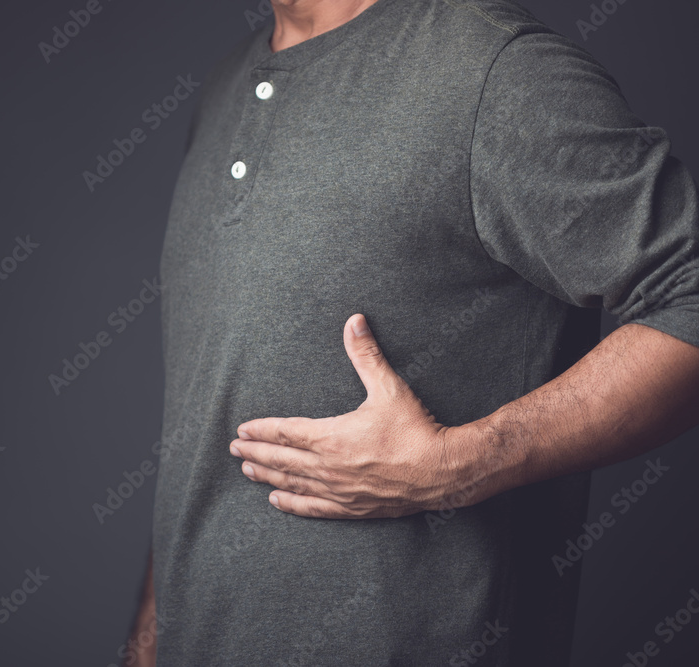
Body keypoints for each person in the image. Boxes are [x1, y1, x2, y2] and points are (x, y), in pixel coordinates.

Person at [123, 0, 699, 664]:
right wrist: (146, 642)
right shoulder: (223, 88)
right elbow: (205, 429)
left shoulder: (497, 72)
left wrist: (461, 465)